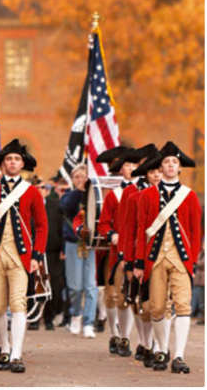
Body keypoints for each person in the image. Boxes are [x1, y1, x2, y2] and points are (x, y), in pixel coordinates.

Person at [0, 139, 48, 373]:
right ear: (2, 164)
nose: (13, 163)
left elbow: (42, 226)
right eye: (9, 159)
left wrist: (37, 254)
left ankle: (16, 354)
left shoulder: (31, 191)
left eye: (16, 159)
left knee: (18, 305)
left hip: (21, 258)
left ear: (22, 163)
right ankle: (4, 348)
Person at [134, 142, 202, 373]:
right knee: (156, 308)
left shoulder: (190, 196)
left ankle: (180, 355)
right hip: (154, 260)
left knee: (183, 306)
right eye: (166, 162)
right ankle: (162, 349)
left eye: (175, 162)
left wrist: (191, 261)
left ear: (180, 167)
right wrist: (139, 263)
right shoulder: (147, 196)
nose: (171, 165)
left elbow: (195, 232)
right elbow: (142, 230)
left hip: (181, 259)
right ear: (160, 167)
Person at [121, 151, 164, 367]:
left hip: (164, 257)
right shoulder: (133, 196)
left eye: (159, 171)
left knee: (160, 306)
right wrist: (129, 261)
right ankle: (147, 343)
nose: (156, 175)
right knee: (141, 306)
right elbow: (129, 231)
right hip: (141, 258)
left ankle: (159, 346)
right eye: (152, 171)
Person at [97, 146, 138, 355]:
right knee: (113, 296)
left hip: (137, 251)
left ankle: (125, 338)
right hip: (116, 252)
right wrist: (111, 234)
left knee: (131, 297)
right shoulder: (114, 195)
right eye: (127, 165)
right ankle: (114, 333)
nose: (130, 168)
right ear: (120, 169)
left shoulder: (143, 192)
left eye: (134, 165)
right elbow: (103, 223)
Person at [60, 164, 98, 338]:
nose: (80, 179)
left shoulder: (94, 196)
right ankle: (76, 315)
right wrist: (79, 191)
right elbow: (66, 207)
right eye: (77, 177)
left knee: (91, 286)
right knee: (75, 287)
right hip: (74, 244)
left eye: (83, 176)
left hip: (91, 245)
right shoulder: (70, 195)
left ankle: (89, 322)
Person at [35, 176, 65, 331]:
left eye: (42, 187)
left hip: (53, 252)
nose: (40, 191)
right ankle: (34, 318)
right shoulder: (28, 205)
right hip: (34, 252)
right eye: (37, 188)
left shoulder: (55, 205)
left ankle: (49, 318)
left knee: (53, 285)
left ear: (47, 190)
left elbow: (62, 227)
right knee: (34, 284)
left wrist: (63, 249)